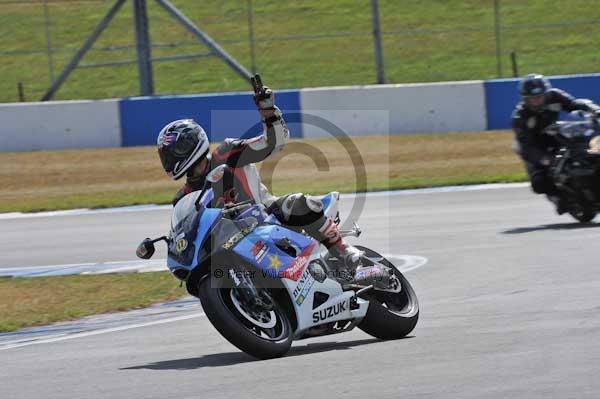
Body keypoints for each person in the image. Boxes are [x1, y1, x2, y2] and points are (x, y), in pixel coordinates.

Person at [156, 80, 378, 283]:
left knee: (298, 203)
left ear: (192, 144)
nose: (170, 159)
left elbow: (273, 143)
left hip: (267, 215)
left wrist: (267, 111)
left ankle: (347, 254)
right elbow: (186, 235)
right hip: (229, 243)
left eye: (174, 152)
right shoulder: (183, 197)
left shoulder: (227, 153)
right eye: (166, 155)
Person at [512, 73, 600, 213]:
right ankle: (558, 198)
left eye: (540, 97)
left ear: (546, 93)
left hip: (556, 135)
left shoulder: (555, 96)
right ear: (525, 99)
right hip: (536, 146)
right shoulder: (520, 117)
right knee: (539, 182)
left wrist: (594, 110)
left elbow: (574, 104)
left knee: (585, 148)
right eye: (533, 99)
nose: (537, 101)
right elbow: (526, 147)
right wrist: (545, 159)